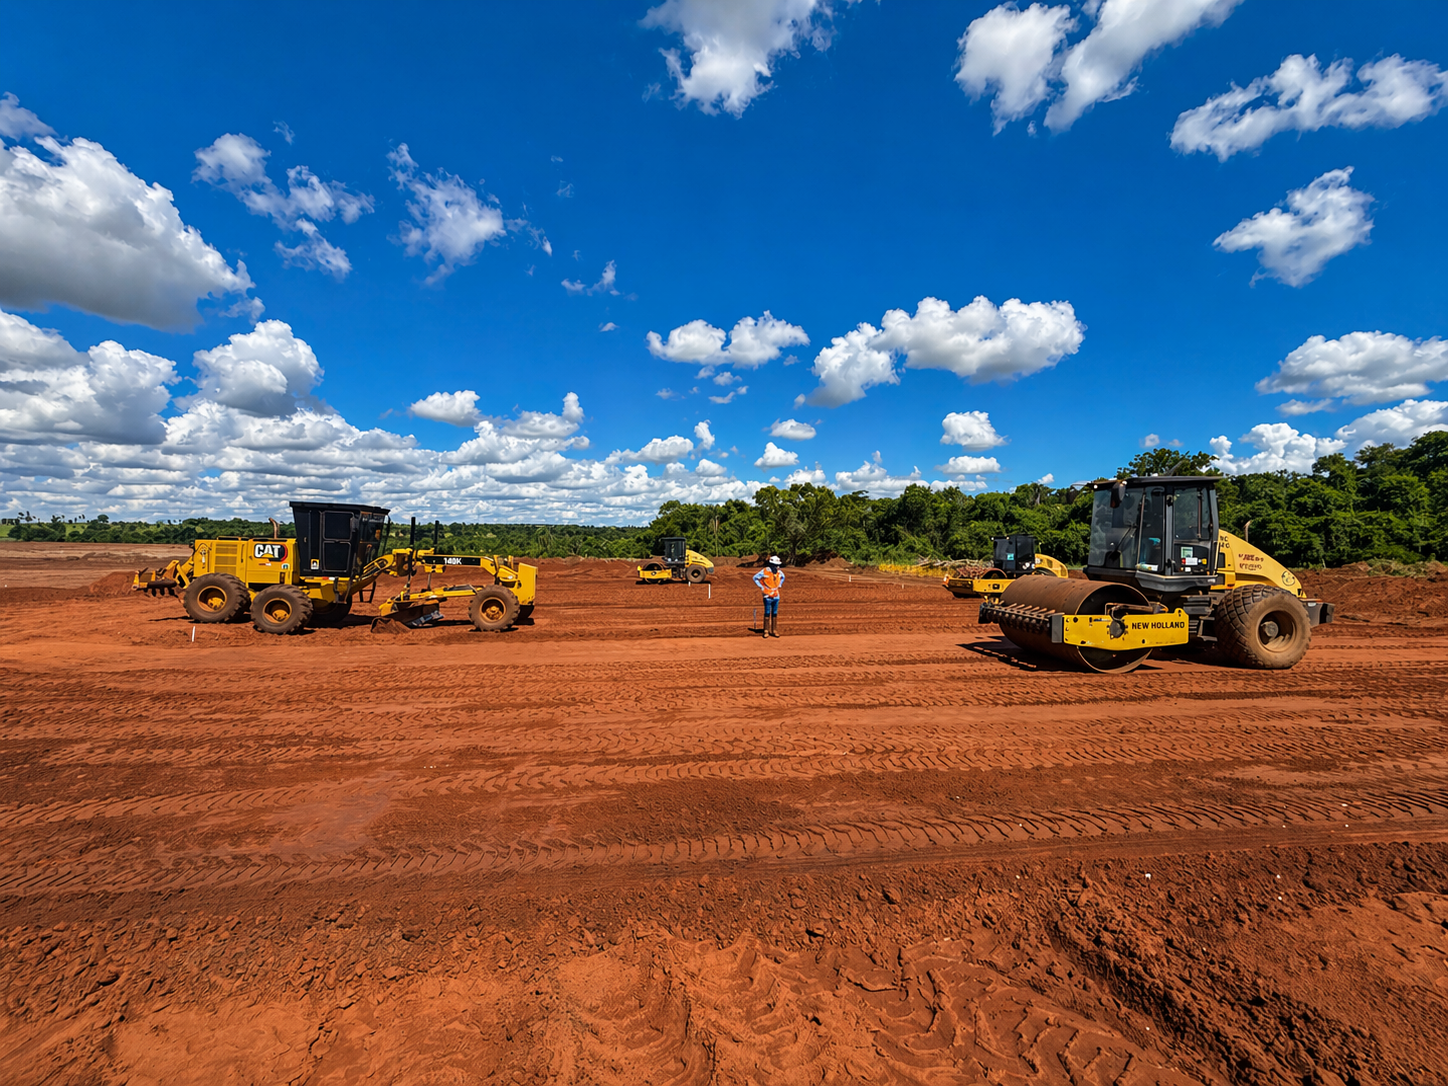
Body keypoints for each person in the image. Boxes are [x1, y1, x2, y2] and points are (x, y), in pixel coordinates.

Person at [753, 555, 785, 638]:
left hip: (776, 594)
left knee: (774, 613)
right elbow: (755, 578)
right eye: (774, 565)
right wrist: (761, 586)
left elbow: (783, 577)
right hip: (767, 595)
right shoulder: (765, 571)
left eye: (777, 565)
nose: (776, 567)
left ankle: (774, 630)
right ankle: (766, 630)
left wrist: (780, 585)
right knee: (767, 612)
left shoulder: (779, 572)